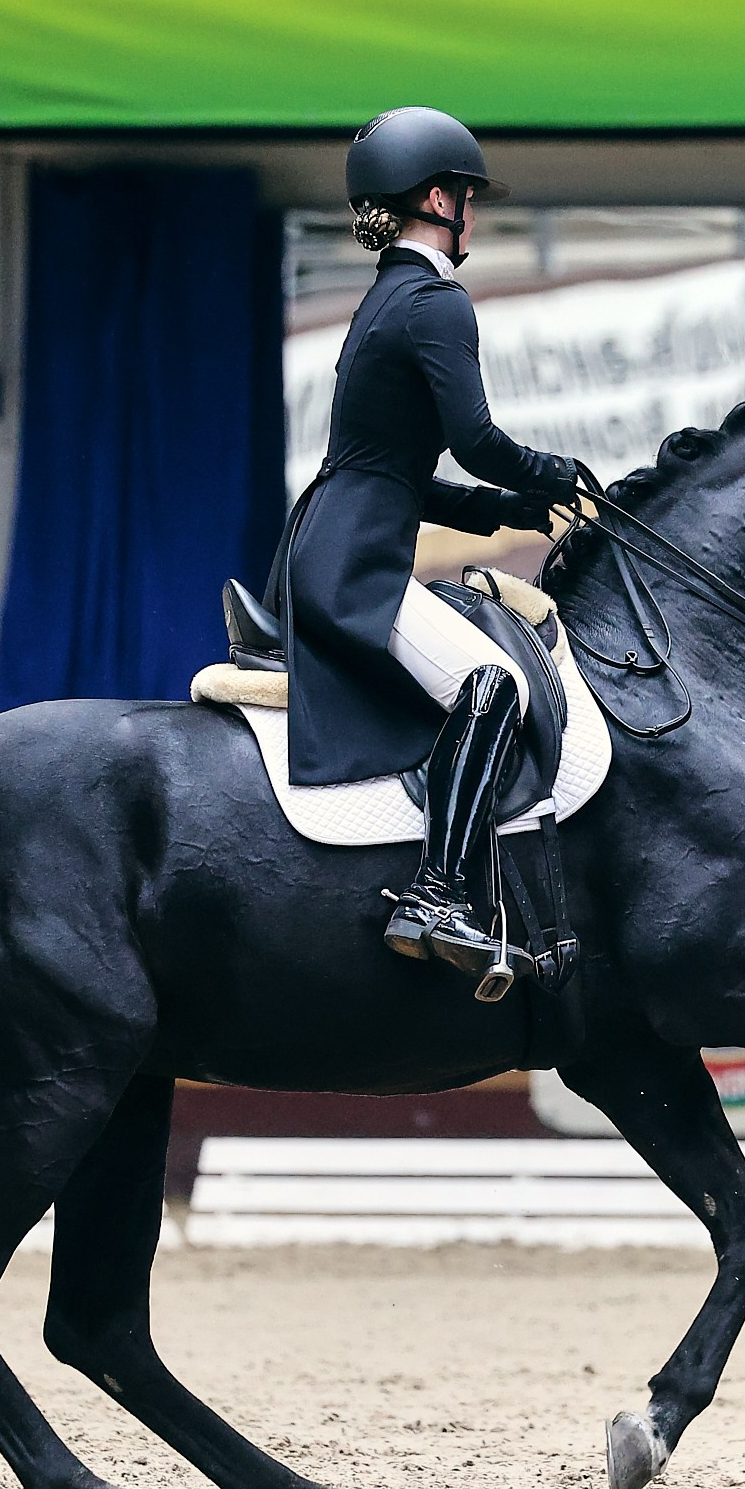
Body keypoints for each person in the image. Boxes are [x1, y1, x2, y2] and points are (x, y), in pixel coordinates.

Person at [267, 106, 582, 988]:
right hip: (356, 564)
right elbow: (474, 438)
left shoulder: (383, 299)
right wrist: (554, 471)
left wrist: (504, 509)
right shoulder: (437, 301)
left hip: (333, 540)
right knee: (496, 684)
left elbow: (394, 470)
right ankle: (437, 893)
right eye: (468, 198)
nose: (473, 215)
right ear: (440, 200)